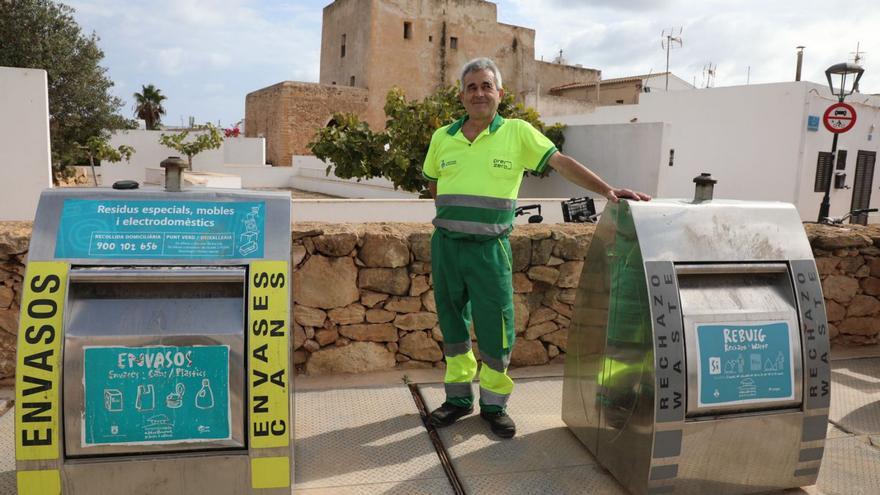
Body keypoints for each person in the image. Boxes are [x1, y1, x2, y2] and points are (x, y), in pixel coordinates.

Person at [422, 57, 651, 439]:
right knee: (452, 325)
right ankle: (458, 400)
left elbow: (561, 163)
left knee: (496, 330)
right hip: (446, 247)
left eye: (486, 86)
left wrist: (608, 190)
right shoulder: (442, 137)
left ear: (500, 94)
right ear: (461, 95)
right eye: (472, 87)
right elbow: (434, 185)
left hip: (489, 250)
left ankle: (493, 406)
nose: (479, 93)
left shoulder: (518, 133)